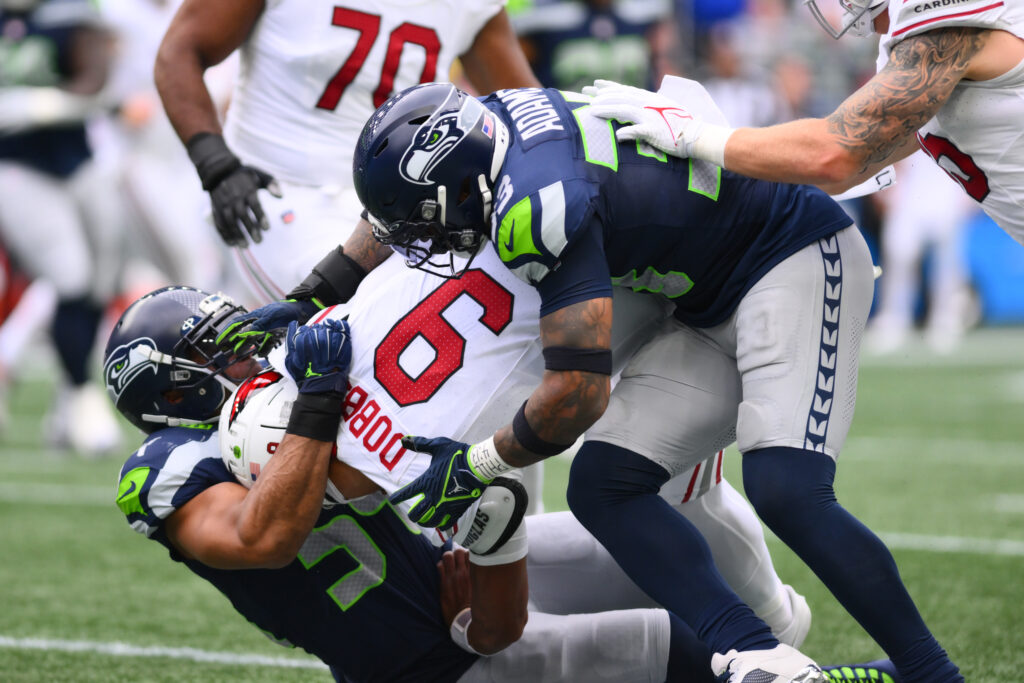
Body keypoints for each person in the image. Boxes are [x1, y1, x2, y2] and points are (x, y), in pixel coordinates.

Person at [339, 82, 960, 682]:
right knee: (605, 485)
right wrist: (312, 293)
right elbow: (397, 218)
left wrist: (478, 462)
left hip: (793, 253)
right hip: (704, 300)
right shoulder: (495, 118)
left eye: (427, 217)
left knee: (787, 490)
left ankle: (933, 673)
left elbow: (579, 392)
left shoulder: (540, 203)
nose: (425, 238)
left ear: (462, 177)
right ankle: (752, 654)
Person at [108, 282, 899, 682]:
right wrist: (318, 399)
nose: (253, 359)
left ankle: (773, 626)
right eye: (227, 352)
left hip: (441, 570)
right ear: (174, 392)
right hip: (437, 659)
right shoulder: (166, 470)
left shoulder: (275, 395)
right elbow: (265, 534)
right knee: (694, 656)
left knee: (658, 528)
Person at [155, 0, 540, 304]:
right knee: (354, 331)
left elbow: (526, 107)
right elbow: (179, 52)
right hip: (280, 191)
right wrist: (218, 166)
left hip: (401, 210)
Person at [585, 0, 1024, 247]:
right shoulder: (919, 46)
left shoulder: (953, 22)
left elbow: (836, 153)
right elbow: (850, 167)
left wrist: (692, 135)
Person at [0, 0, 125, 455]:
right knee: (69, 274)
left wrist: (33, 105)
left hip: (75, 161)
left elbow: (95, 83)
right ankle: (82, 394)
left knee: (101, 278)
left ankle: (67, 399)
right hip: (13, 165)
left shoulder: (69, 10)